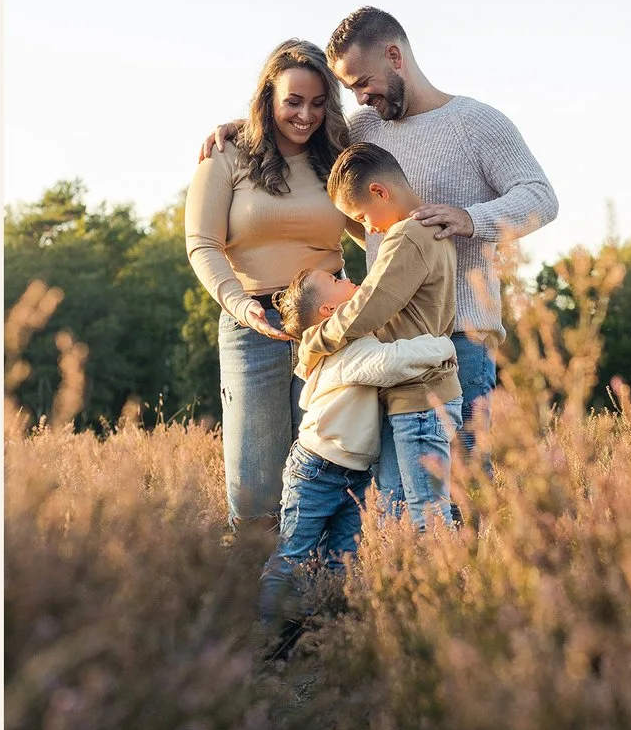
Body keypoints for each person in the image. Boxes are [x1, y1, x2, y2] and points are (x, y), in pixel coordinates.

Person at [205, 7, 559, 469]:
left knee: (465, 483)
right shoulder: (363, 128)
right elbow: (303, 131)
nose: (359, 97)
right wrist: (244, 128)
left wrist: (469, 218)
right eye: (350, 89)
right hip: (386, 345)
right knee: (395, 490)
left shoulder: (477, 123)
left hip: (462, 337)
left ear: (394, 56)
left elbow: (540, 197)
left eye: (362, 82)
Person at [182, 39, 356, 536]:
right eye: (293, 102)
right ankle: (255, 580)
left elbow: (375, 222)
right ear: (267, 98)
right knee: (255, 486)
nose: (306, 115)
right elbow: (202, 243)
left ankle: (322, 580)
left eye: (318, 103)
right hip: (251, 326)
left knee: (328, 471)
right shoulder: (226, 154)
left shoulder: (337, 159)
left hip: (328, 325)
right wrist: (240, 305)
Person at [256, 266, 456, 626]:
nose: (347, 279)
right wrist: (442, 345)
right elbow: (392, 361)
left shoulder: (351, 341)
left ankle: (326, 625)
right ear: (330, 311)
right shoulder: (347, 350)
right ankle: (266, 631)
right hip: (316, 471)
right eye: (336, 281)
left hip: (353, 475)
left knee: (342, 557)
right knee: (294, 553)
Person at [295, 143, 463, 527]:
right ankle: (399, 568)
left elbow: (368, 305)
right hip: (416, 393)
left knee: (425, 516)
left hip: (419, 396)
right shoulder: (430, 229)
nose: (367, 229)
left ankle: (436, 569)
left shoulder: (407, 236)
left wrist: (314, 342)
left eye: (361, 216)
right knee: (401, 510)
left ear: (379, 192)